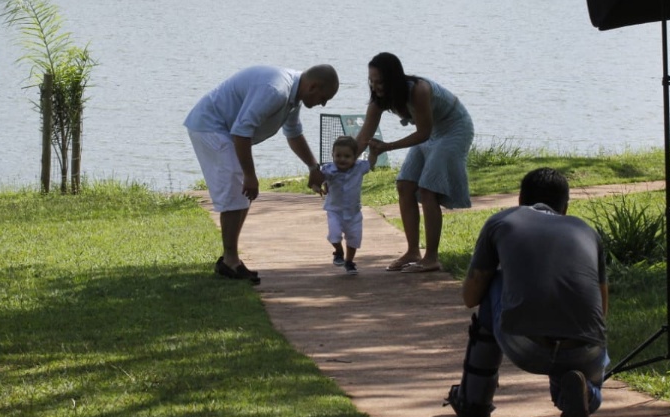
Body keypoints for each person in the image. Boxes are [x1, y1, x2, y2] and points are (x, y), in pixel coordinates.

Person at [444, 168, 608, 417]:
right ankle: (584, 393)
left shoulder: (501, 222)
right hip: (586, 346)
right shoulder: (587, 230)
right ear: (565, 207)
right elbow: (602, 308)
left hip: (527, 346)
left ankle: (474, 399)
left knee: (493, 281)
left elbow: (471, 297)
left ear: (519, 199)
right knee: (578, 364)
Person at [185, 64, 339, 284]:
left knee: (242, 196)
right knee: (234, 195)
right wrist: (250, 175)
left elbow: (293, 134)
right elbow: (241, 130)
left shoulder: (293, 96)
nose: (322, 103)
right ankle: (230, 262)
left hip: (226, 130)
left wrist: (313, 168)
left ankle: (231, 260)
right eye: (324, 98)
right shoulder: (276, 90)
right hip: (211, 126)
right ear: (313, 86)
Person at [354, 52, 473, 273]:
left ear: (393, 78)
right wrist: (339, 166)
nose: (375, 86)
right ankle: (412, 251)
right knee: (404, 185)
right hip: (432, 130)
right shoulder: (379, 98)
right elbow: (362, 138)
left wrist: (388, 146)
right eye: (371, 81)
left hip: (454, 128)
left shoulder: (419, 90)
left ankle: (431, 258)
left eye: (380, 81)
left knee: (428, 189)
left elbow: (423, 133)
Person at [320, 135, 373, 274]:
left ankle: (349, 262)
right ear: (332, 155)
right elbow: (318, 178)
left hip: (354, 212)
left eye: (347, 156)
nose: (342, 159)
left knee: (354, 238)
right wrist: (318, 185)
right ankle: (338, 251)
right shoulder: (328, 169)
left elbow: (370, 164)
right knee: (334, 234)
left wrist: (374, 152)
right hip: (334, 210)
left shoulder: (359, 168)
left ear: (355, 157)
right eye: (338, 155)